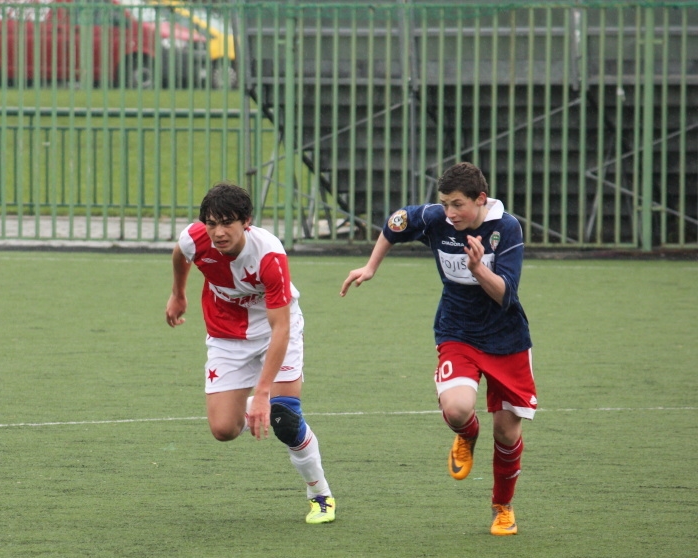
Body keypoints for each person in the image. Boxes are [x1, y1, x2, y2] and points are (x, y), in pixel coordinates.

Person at [339, 162, 536, 536]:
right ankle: (467, 434)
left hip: (506, 338)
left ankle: (502, 507)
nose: (450, 213)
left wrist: (479, 269)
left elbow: (506, 295)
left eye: (458, 204)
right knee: (458, 408)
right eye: (445, 203)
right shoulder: (436, 219)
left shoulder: (506, 228)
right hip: (457, 331)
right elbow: (395, 223)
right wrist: (370, 267)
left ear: (481, 200)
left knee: (508, 435)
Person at [166, 182, 336, 524]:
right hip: (226, 336)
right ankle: (252, 408)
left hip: (276, 330)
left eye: (227, 222)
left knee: (285, 418)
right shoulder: (195, 239)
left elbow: (281, 329)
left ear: (247, 221)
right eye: (212, 223)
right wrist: (178, 294)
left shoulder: (269, 256)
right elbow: (179, 255)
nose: (218, 232)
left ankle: (320, 495)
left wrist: (262, 393)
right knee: (223, 430)